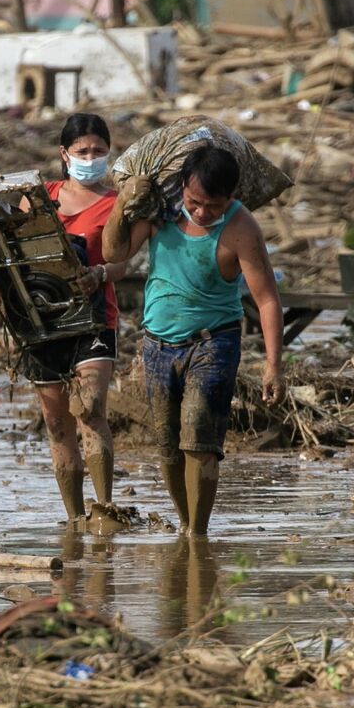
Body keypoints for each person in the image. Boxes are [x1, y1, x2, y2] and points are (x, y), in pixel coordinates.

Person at [103, 145, 285, 539]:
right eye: (195, 202)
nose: (202, 213)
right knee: (168, 447)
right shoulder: (160, 212)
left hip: (213, 343)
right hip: (156, 344)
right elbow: (114, 254)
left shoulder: (241, 228)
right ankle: (186, 525)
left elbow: (267, 298)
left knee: (199, 438)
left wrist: (274, 365)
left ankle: (197, 536)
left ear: (232, 197)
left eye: (214, 206)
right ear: (182, 187)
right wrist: (122, 205)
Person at [22, 113, 128, 527]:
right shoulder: (38, 197)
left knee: (91, 408)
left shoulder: (116, 203)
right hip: (43, 320)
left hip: (95, 317)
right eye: (82, 151)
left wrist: (100, 273)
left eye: (99, 151)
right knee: (55, 421)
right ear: (64, 155)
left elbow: (125, 261)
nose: (90, 157)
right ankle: (74, 517)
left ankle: (104, 509)